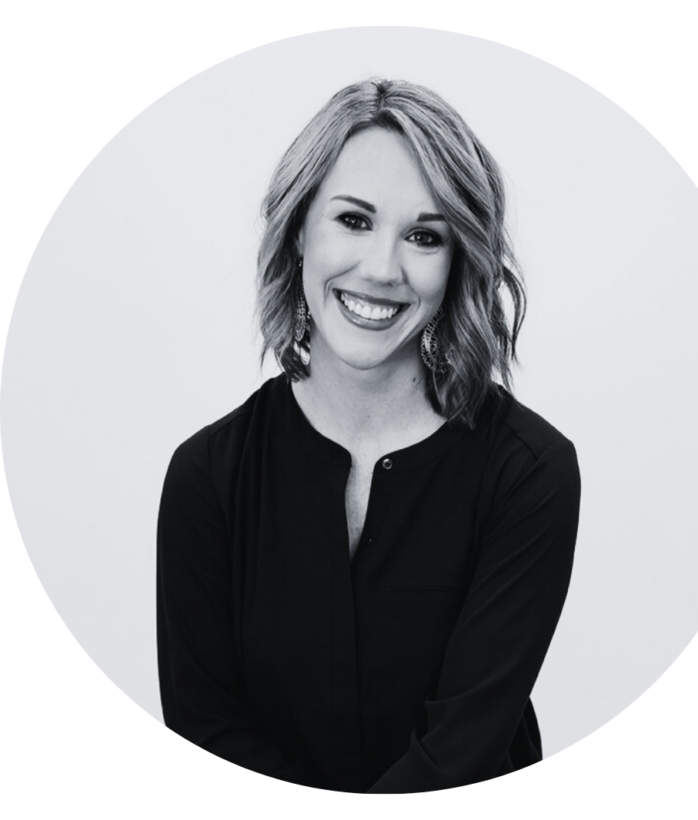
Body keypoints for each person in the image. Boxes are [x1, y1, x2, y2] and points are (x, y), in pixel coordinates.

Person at [156, 78, 581, 794]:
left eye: (423, 236)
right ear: (299, 231)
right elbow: (207, 732)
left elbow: (464, 750)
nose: (383, 270)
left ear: (458, 263)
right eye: (354, 221)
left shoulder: (528, 472)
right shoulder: (207, 476)